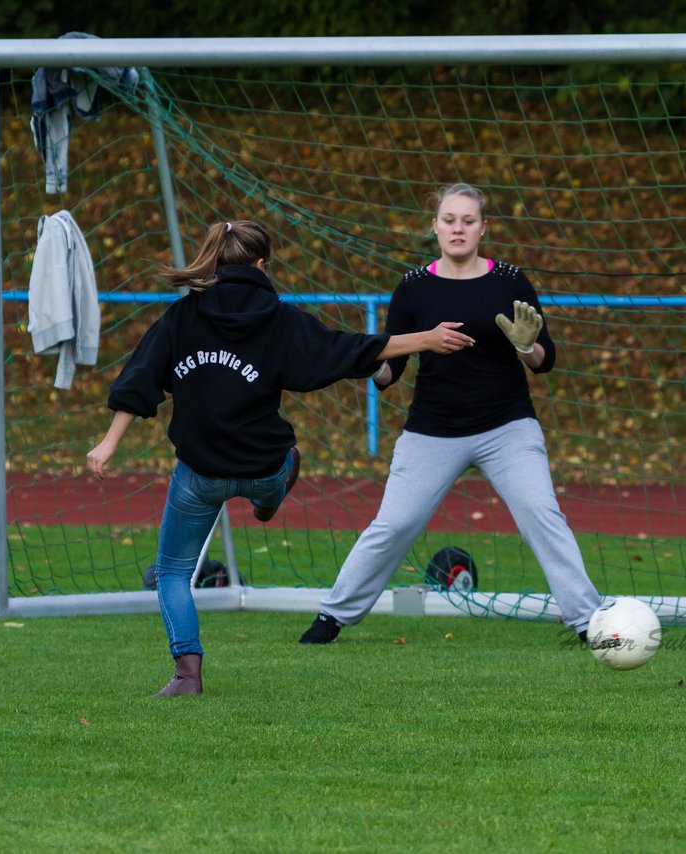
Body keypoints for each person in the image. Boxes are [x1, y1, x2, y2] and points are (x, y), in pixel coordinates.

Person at [86, 220, 475, 697]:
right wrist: (426, 338)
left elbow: (140, 379)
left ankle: (187, 674)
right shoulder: (278, 316)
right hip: (263, 466)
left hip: (200, 474)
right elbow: (345, 348)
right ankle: (272, 493)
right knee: (281, 466)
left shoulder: (181, 318)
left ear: (212, 260)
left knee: (172, 573)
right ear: (261, 264)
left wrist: (108, 443)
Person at [299, 183, 603, 646]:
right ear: (434, 226)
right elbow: (390, 372)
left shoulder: (510, 280)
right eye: (449, 220)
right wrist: (363, 360)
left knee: (542, 514)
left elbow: (545, 360)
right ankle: (331, 619)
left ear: (483, 227)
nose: (457, 228)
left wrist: (527, 346)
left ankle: (588, 622)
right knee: (394, 524)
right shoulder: (413, 287)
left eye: (467, 220)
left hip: (508, 427)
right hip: (433, 430)